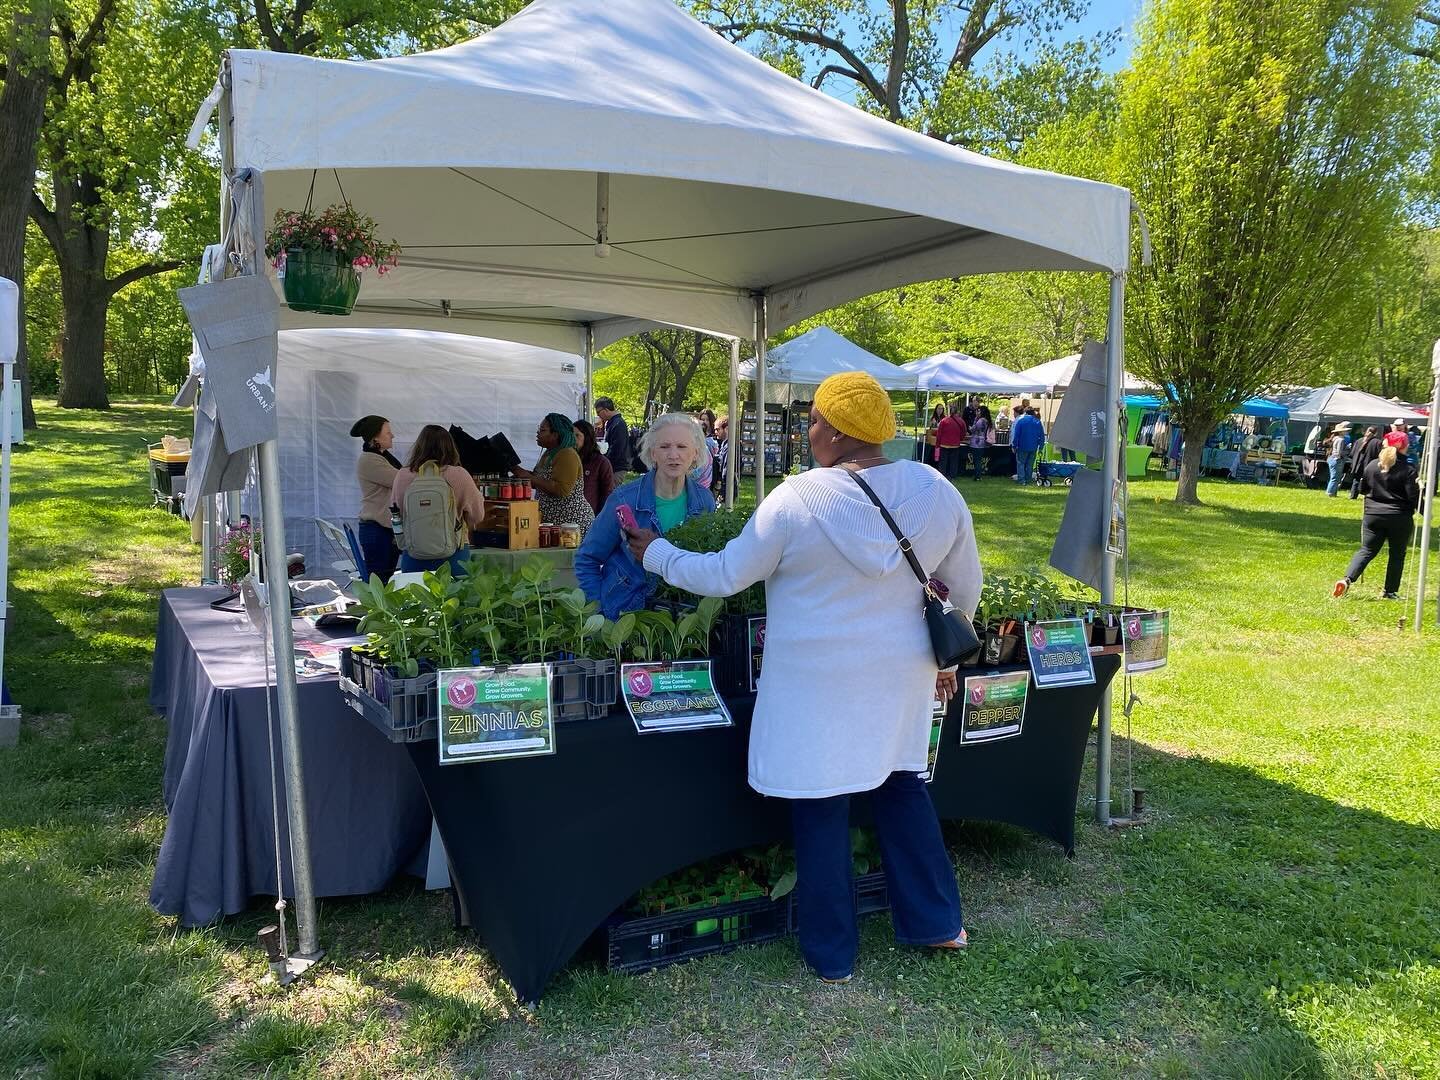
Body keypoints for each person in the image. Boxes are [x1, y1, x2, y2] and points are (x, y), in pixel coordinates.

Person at [623, 371, 981, 983]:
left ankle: (832, 956)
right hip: (900, 673)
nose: (808, 429)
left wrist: (653, 552)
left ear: (839, 433)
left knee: (820, 807)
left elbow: (723, 576)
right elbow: (964, 583)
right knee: (901, 785)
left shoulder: (795, 500)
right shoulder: (935, 488)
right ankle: (936, 923)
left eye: (814, 419)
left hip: (816, 683)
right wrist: (946, 657)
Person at [576, 412, 716, 618]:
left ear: (695, 453)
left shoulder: (705, 501)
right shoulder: (623, 500)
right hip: (624, 615)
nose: (673, 455)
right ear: (652, 453)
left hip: (684, 620)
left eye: (682, 447)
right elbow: (587, 558)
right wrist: (599, 612)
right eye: (664, 446)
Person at [390, 425, 485, 575]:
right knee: (455, 597)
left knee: (415, 597)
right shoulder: (459, 475)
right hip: (454, 556)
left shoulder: (403, 475)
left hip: (414, 554)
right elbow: (477, 516)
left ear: (419, 446)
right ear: (450, 447)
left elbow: (396, 513)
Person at [1334, 445, 1420, 600]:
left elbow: (1362, 488)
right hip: (1399, 516)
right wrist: (1425, 510)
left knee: (1366, 550)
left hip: (1373, 514)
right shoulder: (1408, 469)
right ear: (1405, 447)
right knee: (1397, 555)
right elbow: (1413, 496)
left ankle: (1347, 579)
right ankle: (1390, 591)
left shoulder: (1372, 465)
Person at [514, 413, 596, 534]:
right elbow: (539, 480)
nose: (538, 433)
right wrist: (514, 469)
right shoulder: (549, 453)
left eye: (542, 430)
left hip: (572, 525)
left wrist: (528, 477)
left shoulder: (567, 454)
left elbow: (561, 489)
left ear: (555, 435)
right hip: (555, 524)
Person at [350, 414, 402, 581]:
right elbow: (401, 480)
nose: (392, 435)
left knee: (383, 581)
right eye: (388, 432)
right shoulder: (371, 461)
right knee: (379, 583)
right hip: (378, 531)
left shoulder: (381, 457)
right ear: (376, 438)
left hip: (382, 530)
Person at [574, 419, 616, 516]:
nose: (573, 439)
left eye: (577, 435)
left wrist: (600, 517)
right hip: (569, 517)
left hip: (591, 517)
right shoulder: (568, 459)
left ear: (587, 437)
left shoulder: (601, 462)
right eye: (571, 435)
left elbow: (608, 493)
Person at [595, 397, 632, 475]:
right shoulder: (612, 423)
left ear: (606, 410)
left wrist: (604, 463)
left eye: (598, 412)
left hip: (617, 469)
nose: (598, 415)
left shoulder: (618, 424)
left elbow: (617, 449)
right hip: (613, 467)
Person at [1011, 406, 1046, 485]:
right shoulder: (1037, 421)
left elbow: (1016, 435)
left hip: (1022, 446)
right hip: (1033, 447)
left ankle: (1022, 480)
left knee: (1021, 463)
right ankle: (1028, 479)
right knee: (1030, 464)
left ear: (1025, 412)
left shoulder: (1020, 421)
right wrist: (1041, 447)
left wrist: (1014, 445)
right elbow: (1042, 436)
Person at [935, 402, 967, 479]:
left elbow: (939, 434)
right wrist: (960, 439)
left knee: (943, 461)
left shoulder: (944, 421)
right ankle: (953, 475)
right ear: (957, 412)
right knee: (954, 462)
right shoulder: (961, 421)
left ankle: (942, 475)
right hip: (955, 445)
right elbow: (964, 432)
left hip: (944, 444)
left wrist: (937, 444)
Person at [1349, 427, 1381, 499]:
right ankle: (1367, 496)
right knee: (1370, 481)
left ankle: (1353, 495)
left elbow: (1352, 454)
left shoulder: (1359, 441)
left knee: (1356, 480)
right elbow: (1379, 455)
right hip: (1369, 465)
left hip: (1357, 465)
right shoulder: (1377, 442)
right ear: (1376, 433)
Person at [967, 405, 992, 480]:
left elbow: (973, 429)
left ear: (982, 412)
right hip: (982, 442)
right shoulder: (986, 420)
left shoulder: (980, 421)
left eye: (978, 411)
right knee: (978, 460)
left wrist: (972, 425)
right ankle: (978, 475)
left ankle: (977, 476)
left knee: (976, 460)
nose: (976, 412)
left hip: (976, 443)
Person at [1325, 423, 1349, 497]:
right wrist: (1348, 449)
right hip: (1337, 460)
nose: (1346, 432)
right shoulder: (1341, 440)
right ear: (1341, 431)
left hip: (1332, 458)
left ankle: (1333, 493)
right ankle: (1330, 492)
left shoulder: (1335, 438)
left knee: (1334, 477)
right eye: (1345, 430)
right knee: (1335, 478)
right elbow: (1339, 453)